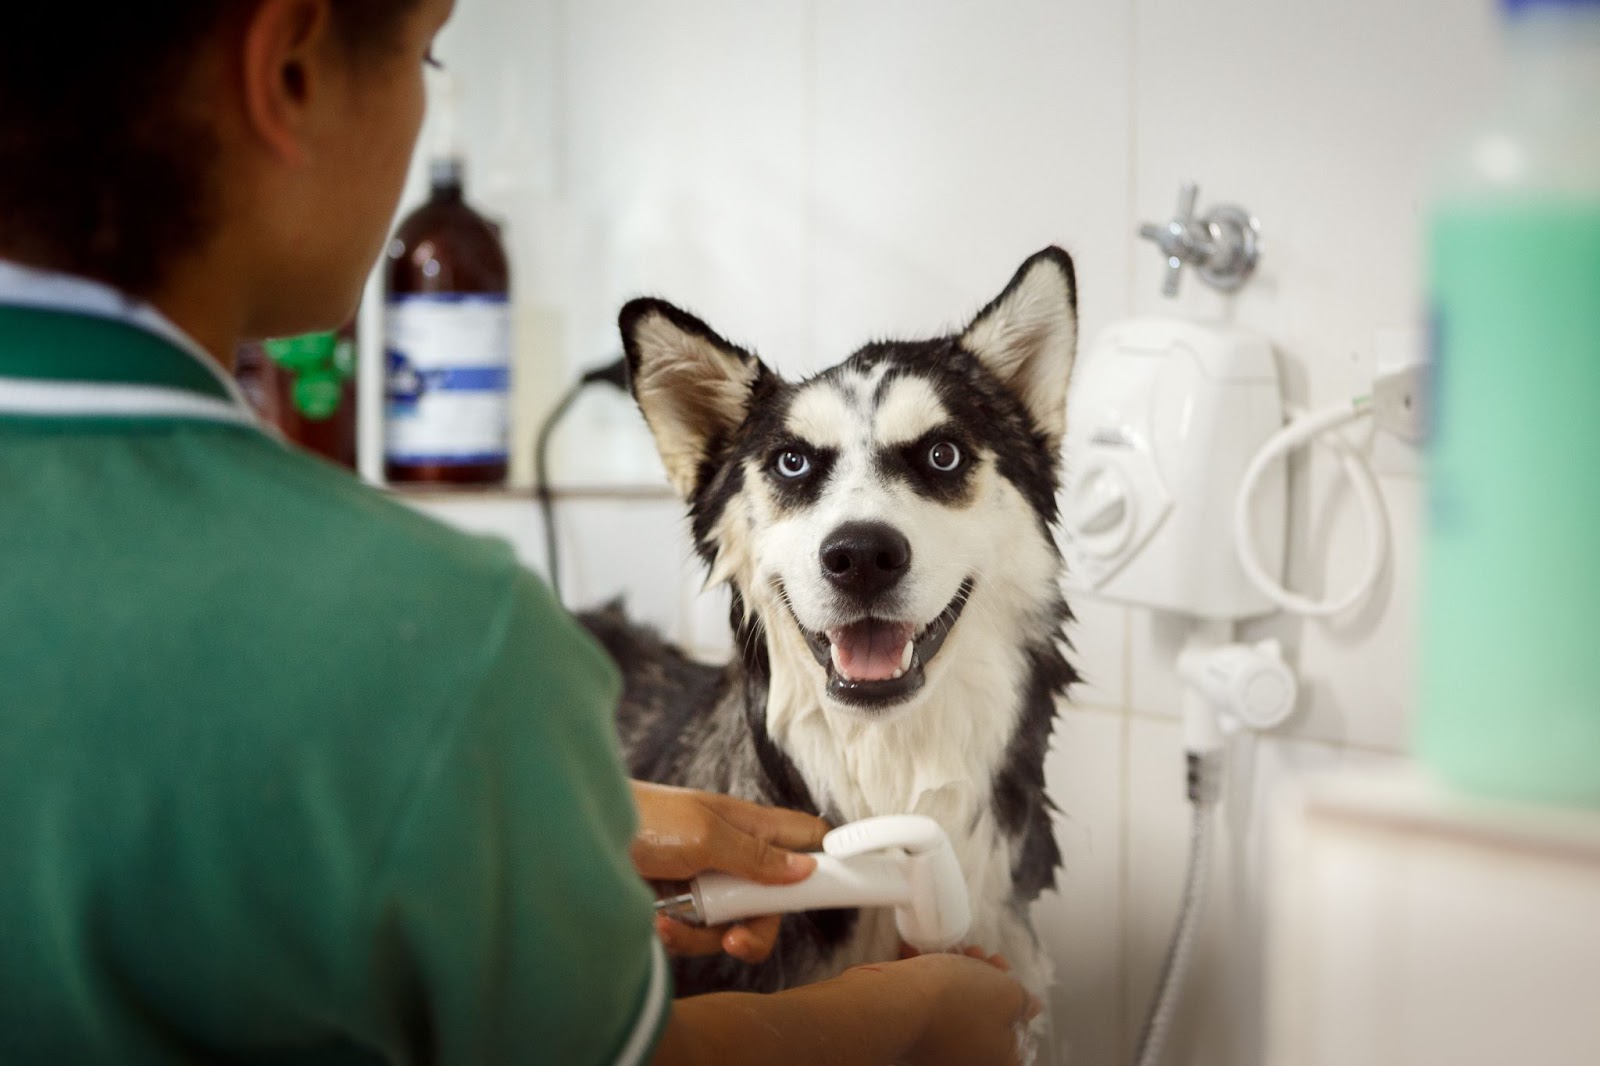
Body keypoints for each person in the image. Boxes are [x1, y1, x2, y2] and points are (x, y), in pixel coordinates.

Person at [0, 1, 1039, 1064]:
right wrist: (911, 1014)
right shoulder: (437, 635)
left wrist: (546, 812)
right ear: (291, 71)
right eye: (427, 49)